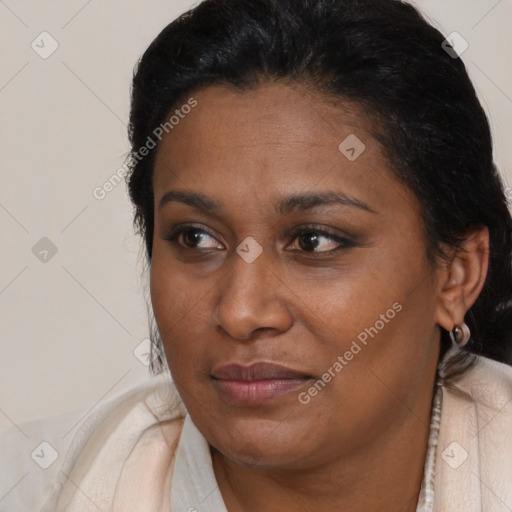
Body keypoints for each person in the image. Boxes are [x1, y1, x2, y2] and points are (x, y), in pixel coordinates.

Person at [2, 0, 512, 510]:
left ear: (457, 275)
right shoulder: (34, 490)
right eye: (196, 238)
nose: (241, 313)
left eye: (314, 241)